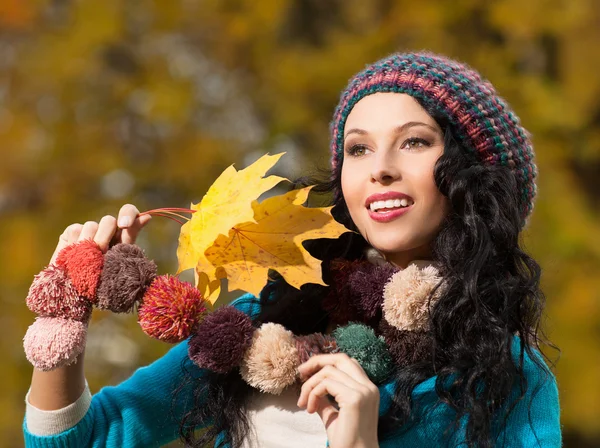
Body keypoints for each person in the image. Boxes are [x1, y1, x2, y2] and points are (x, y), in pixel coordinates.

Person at [23, 52, 561, 448]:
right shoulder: (264, 319)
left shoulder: (510, 375)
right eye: (358, 148)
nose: (380, 168)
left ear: (471, 177)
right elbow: (87, 438)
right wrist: (61, 319)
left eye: (415, 141)